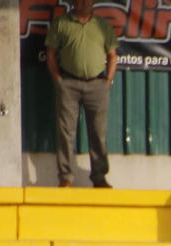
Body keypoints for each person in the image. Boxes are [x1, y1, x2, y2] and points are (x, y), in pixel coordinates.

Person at [44, 0, 117, 189]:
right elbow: (50, 52)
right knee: (65, 132)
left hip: (97, 85)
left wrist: (108, 81)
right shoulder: (62, 23)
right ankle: (66, 177)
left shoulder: (103, 25)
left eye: (88, 0)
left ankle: (99, 177)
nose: (84, 3)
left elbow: (112, 54)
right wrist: (57, 79)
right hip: (68, 84)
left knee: (98, 133)